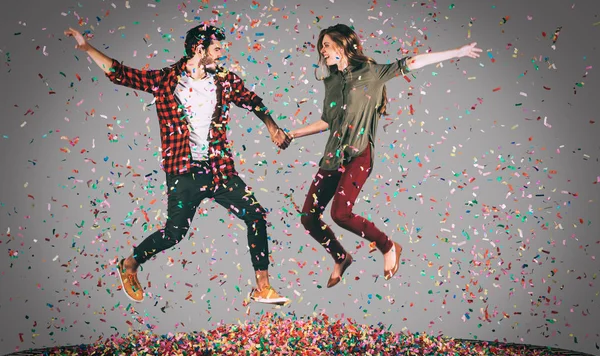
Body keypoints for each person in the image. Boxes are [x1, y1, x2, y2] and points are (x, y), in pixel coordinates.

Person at [64, 24, 292, 304]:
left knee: (255, 215)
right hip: (184, 173)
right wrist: (87, 48)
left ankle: (262, 288)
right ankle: (130, 264)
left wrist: (272, 127)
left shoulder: (225, 80)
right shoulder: (166, 81)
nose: (222, 53)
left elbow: (252, 101)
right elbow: (121, 74)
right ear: (199, 49)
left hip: (219, 170)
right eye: (217, 48)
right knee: (174, 233)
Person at [285, 24, 481, 288]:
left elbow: (411, 62)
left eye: (327, 44)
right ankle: (341, 257)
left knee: (340, 214)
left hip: (358, 155)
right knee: (308, 217)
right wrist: (292, 134)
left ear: (342, 46)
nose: (322, 49)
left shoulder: (371, 73)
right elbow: (328, 121)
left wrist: (456, 52)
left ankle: (389, 247)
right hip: (332, 157)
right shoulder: (330, 81)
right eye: (321, 45)